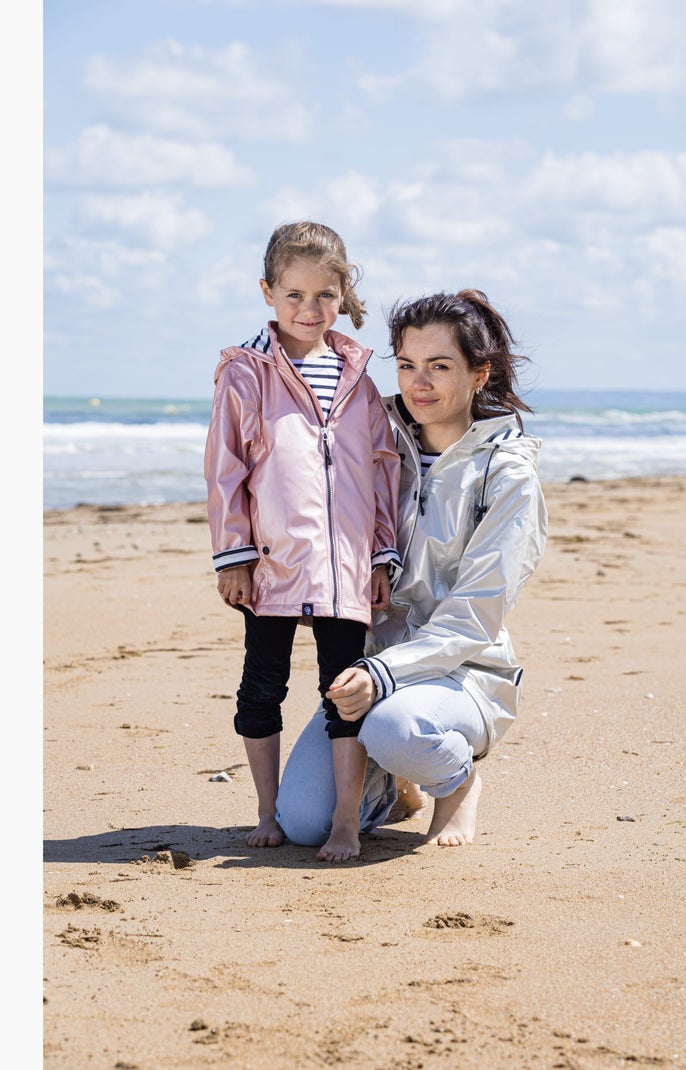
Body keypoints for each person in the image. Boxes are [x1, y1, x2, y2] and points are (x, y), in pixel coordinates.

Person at [275, 288, 548, 850]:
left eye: (440, 366)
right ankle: (399, 779)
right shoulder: (373, 438)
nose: (418, 382)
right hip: (372, 666)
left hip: (465, 672)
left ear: (479, 374)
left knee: (397, 727)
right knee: (304, 823)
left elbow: (475, 614)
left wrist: (384, 677)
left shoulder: (508, 473)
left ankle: (456, 778)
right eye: (406, 365)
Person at [204, 221, 401, 862]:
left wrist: (379, 553)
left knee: (343, 692)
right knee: (261, 688)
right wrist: (233, 555)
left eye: (325, 295)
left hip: (346, 571)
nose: (309, 310)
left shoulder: (358, 378)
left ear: (343, 294)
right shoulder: (246, 373)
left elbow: (382, 470)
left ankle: (347, 819)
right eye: (294, 296)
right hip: (272, 568)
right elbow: (225, 469)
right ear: (268, 292)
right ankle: (266, 811)